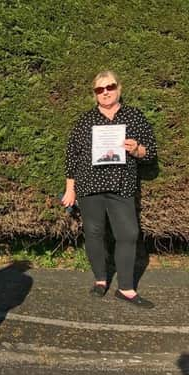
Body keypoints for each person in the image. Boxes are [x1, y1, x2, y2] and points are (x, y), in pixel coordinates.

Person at [62, 70, 157, 308]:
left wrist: (137, 149)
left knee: (128, 234)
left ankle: (125, 288)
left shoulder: (134, 116)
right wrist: (70, 189)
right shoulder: (85, 121)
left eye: (110, 87)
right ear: (94, 94)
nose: (105, 92)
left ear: (119, 88)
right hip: (89, 186)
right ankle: (100, 280)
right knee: (94, 234)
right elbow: (72, 156)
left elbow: (151, 152)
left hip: (121, 186)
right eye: (99, 89)